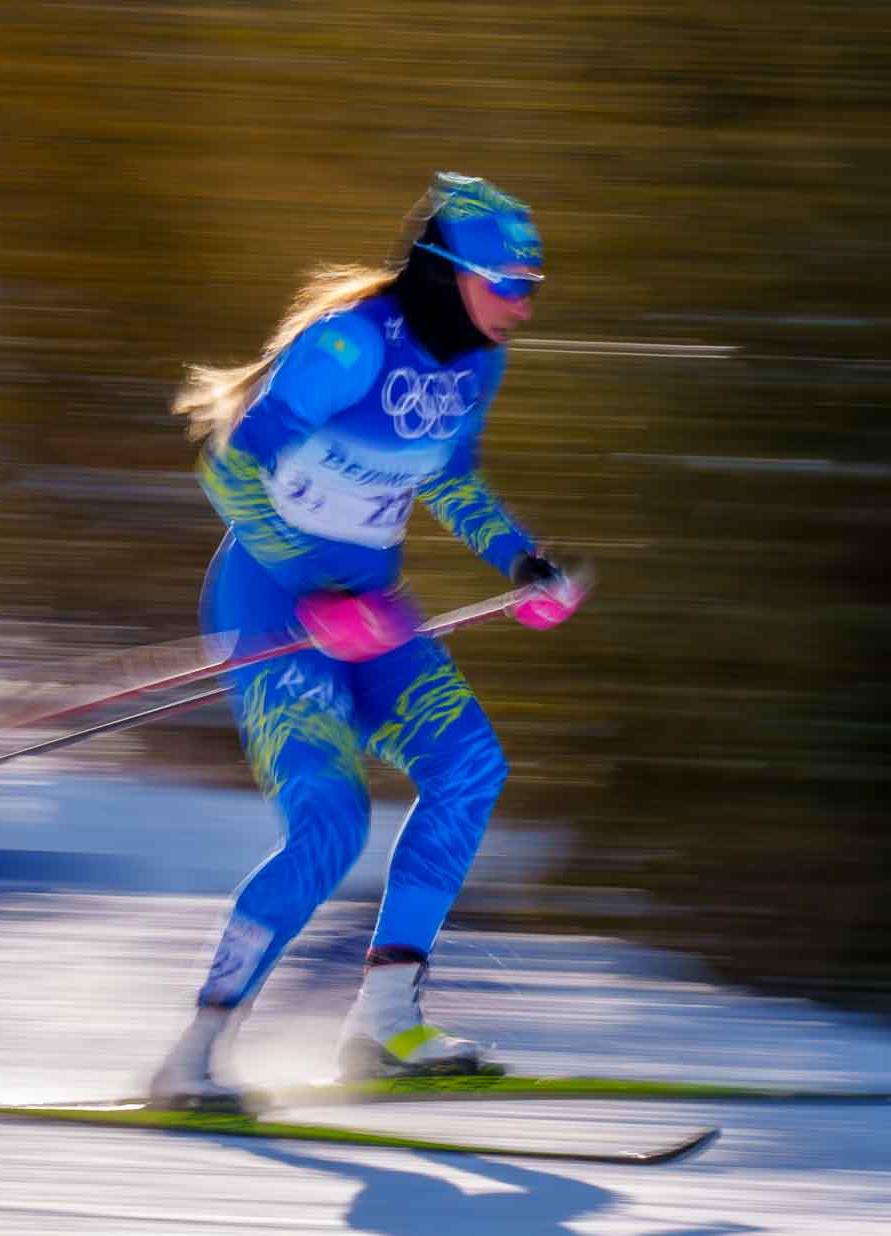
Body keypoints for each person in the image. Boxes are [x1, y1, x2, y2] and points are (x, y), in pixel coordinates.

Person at [153, 172, 584, 1105]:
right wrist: (317, 593)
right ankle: (196, 1050)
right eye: (509, 284)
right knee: (332, 826)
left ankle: (386, 1024)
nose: (522, 306)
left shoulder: (477, 360)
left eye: (532, 288)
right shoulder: (349, 347)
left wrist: (522, 565)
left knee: (471, 768)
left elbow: (451, 481)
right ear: (450, 271)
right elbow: (228, 468)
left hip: (371, 611)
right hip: (271, 603)